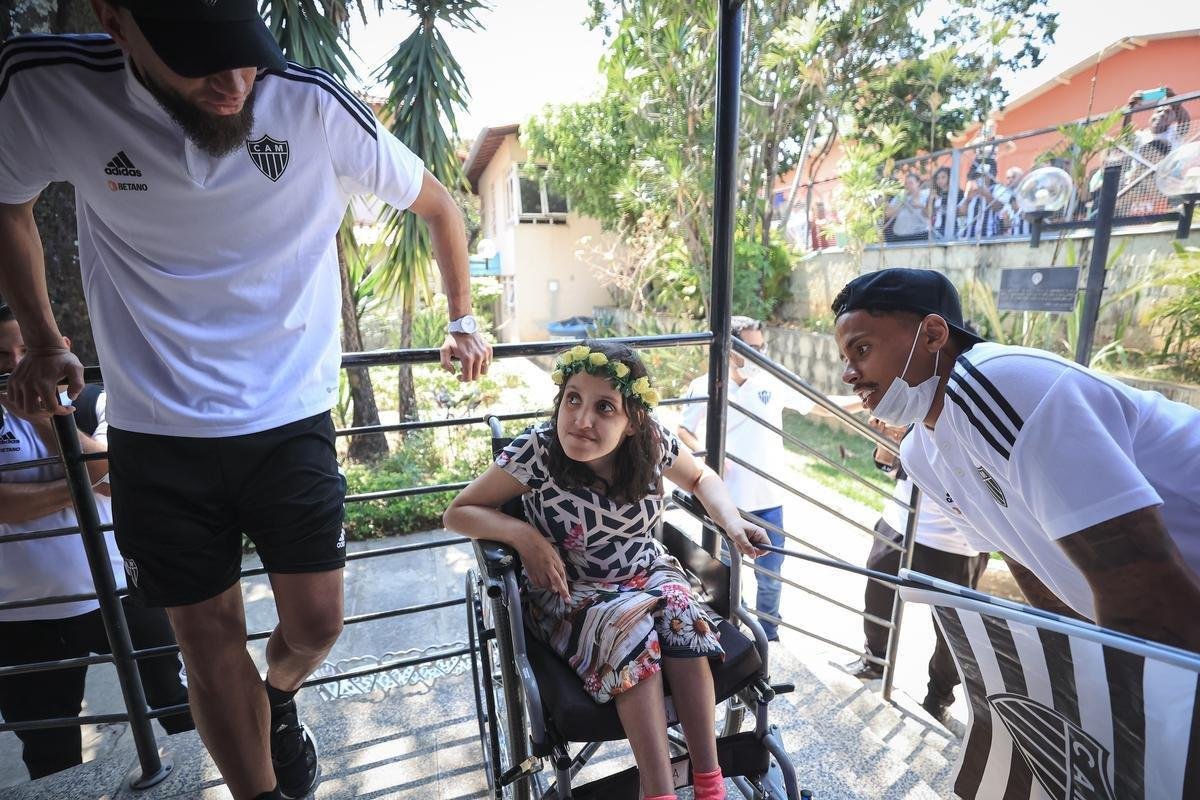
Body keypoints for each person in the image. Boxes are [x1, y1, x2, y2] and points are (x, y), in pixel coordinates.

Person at [0, 3, 491, 798]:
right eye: (201, 61)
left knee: (317, 624)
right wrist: (43, 334)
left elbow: (439, 206)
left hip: (288, 417)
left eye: (246, 56)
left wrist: (461, 317)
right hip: (153, 428)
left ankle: (282, 692)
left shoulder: (308, 104)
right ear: (118, 27)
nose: (234, 84)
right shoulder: (47, 88)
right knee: (204, 638)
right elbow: (8, 202)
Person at [445, 341, 770, 800]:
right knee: (628, 628)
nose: (581, 420)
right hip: (572, 591)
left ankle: (708, 782)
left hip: (644, 571)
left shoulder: (653, 443)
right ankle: (659, 793)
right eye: (572, 399)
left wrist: (734, 525)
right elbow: (459, 512)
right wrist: (526, 537)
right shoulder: (537, 451)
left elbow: (700, 478)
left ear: (633, 419)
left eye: (604, 407)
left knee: (680, 608)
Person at [831, 268, 1200, 652]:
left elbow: (1142, 583)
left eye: (862, 349)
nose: (848, 375)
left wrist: (1127, 699)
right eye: (845, 357)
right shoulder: (920, 454)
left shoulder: (994, 382)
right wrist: (1075, 663)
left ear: (932, 335)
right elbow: (1025, 559)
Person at [0, 304, 194, 780]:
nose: (18, 365)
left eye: (28, 351)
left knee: (178, 701)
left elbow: (107, 467)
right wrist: (91, 480)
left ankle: (211, 780)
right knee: (48, 745)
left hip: (123, 592)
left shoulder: (99, 403)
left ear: (60, 350)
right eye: (3, 355)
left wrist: (47, 416)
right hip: (19, 618)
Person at [677, 316, 861, 641]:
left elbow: (820, 405)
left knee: (771, 575)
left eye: (762, 347)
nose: (758, 355)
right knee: (726, 573)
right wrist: (709, 454)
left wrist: (866, 401)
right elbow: (683, 431)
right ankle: (736, 627)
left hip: (768, 501)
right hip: (724, 503)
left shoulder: (771, 382)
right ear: (729, 347)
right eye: (750, 347)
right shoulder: (707, 384)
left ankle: (768, 634)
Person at [847, 417, 989, 725]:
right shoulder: (917, 407)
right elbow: (887, 464)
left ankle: (938, 698)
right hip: (899, 525)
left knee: (952, 632)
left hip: (957, 545)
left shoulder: (977, 420)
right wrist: (886, 436)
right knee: (877, 603)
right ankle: (874, 662)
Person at [882, 173, 930, 242]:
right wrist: (901, 203)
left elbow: (929, 214)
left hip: (920, 234)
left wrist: (919, 205)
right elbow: (888, 214)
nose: (908, 186)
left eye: (911, 183)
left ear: (918, 183)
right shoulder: (899, 196)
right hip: (900, 234)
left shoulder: (926, 194)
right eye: (906, 183)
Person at [926, 166, 953, 240]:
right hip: (934, 229)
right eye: (937, 178)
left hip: (948, 229)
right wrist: (931, 200)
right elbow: (929, 214)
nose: (940, 180)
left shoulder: (956, 193)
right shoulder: (935, 194)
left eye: (943, 177)